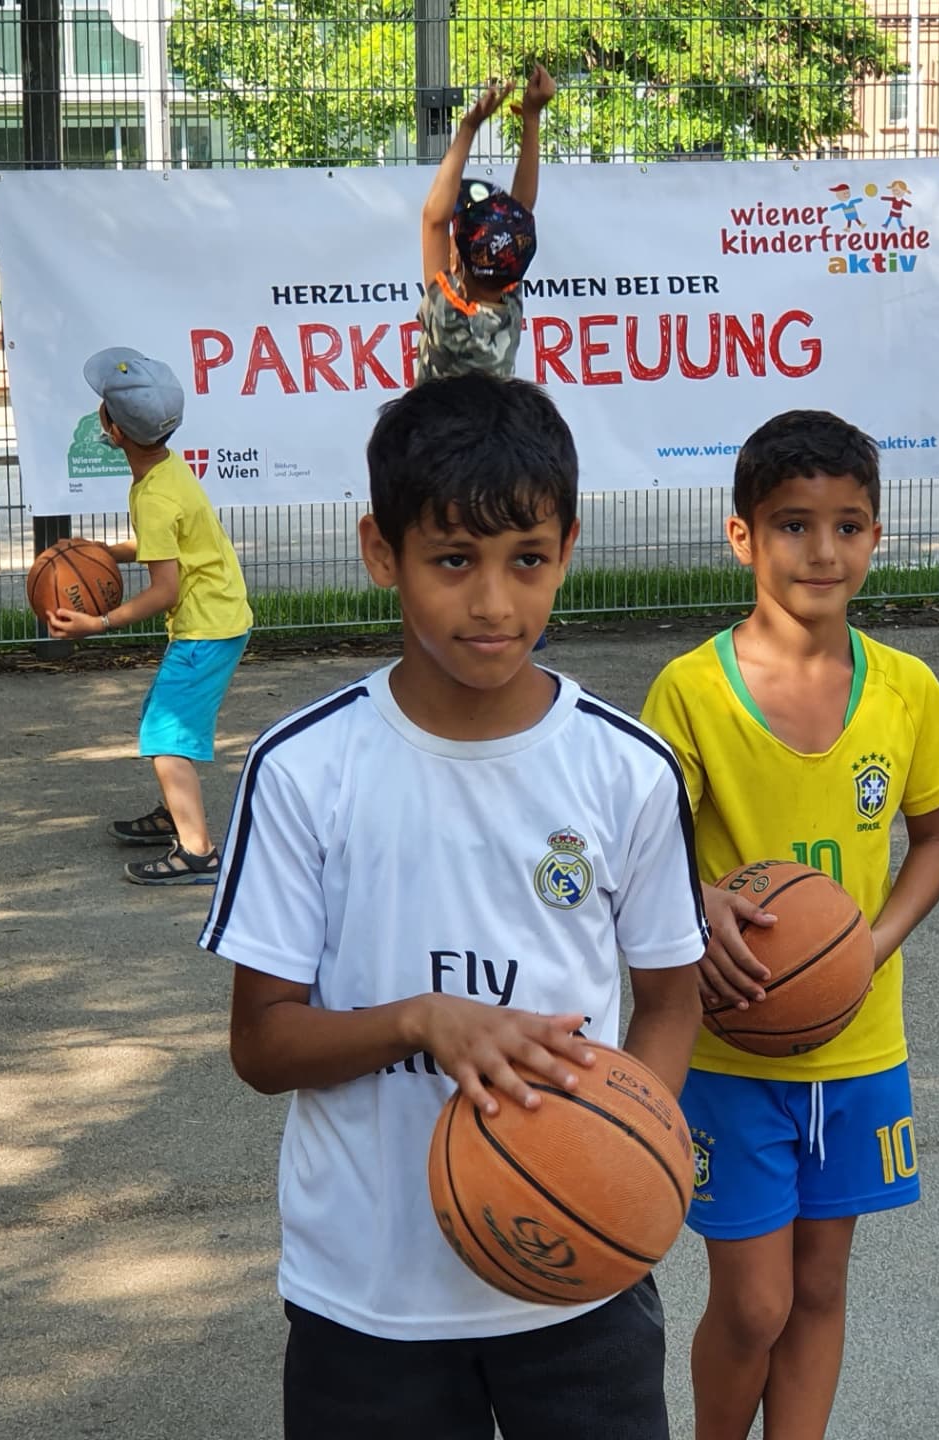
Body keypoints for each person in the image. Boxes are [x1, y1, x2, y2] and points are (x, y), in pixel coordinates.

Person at [199, 374, 708, 1440]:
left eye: (527, 560)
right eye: (452, 560)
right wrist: (421, 1020)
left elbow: (670, 1000)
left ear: (568, 550)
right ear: (380, 552)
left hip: (580, 1282)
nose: (493, 603)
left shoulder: (627, 770)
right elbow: (263, 1045)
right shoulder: (305, 770)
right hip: (367, 1294)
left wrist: (622, 1154)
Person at [640, 411, 939, 1440]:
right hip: (730, 1048)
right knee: (755, 1303)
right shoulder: (692, 691)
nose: (823, 550)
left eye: (847, 526)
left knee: (822, 1288)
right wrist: (695, 903)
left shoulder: (907, 690)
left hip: (861, 1044)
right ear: (742, 536)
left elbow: (938, 841)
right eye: (793, 525)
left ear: (875, 534)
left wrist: (868, 947)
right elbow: (641, 852)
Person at [48, 347, 252, 886]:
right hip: (219, 618)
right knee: (161, 719)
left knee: (166, 737)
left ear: (113, 429)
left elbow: (165, 589)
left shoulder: (154, 496)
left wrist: (99, 624)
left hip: (207, 629)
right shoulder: (166, 471)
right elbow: (164, 545)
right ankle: (172, 815)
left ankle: (198, 853)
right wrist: (106, 553)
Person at [416, 66, 555, 384]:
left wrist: (469, 127)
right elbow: (520, 212)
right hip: (494, 417)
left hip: (434, 418)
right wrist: (532, 117)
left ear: (457, 264)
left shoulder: (449, 317)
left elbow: (433, 221)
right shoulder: (506, 304)